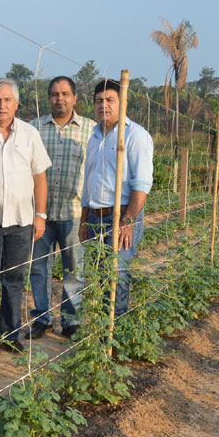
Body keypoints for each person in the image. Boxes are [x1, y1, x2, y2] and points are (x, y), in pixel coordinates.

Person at [0, 78, 50, 355]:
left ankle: (11, 333)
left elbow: (39, 177)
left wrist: (40, 214)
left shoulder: (30, 134)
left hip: (21, 221)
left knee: (15, 278)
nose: (1, 105)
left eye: (7, 100)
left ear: (16, 104)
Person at [27, 77, 96, 339]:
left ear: (75, 98)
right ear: (49, 98)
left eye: (65, 94)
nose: (60, 99)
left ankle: (70, 320)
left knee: (73, 268)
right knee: (39, 267)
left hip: (75, 211)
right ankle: (42, 318)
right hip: (41, 212)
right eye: (55, 94)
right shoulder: (34, 129)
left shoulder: (90, 129)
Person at [78, 78, 154, 317]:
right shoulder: (94, 137)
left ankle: (114, 331)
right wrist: (83, 221)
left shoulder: (135, 135)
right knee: (101, 274)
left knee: (117, 273)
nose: (104, 106)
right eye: (99, 101)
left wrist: (128, 221)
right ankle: (103, 327)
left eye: (110, 100)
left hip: (120, 215)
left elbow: (141, 184)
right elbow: (88, 182)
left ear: (123, 103)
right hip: (95, 217)